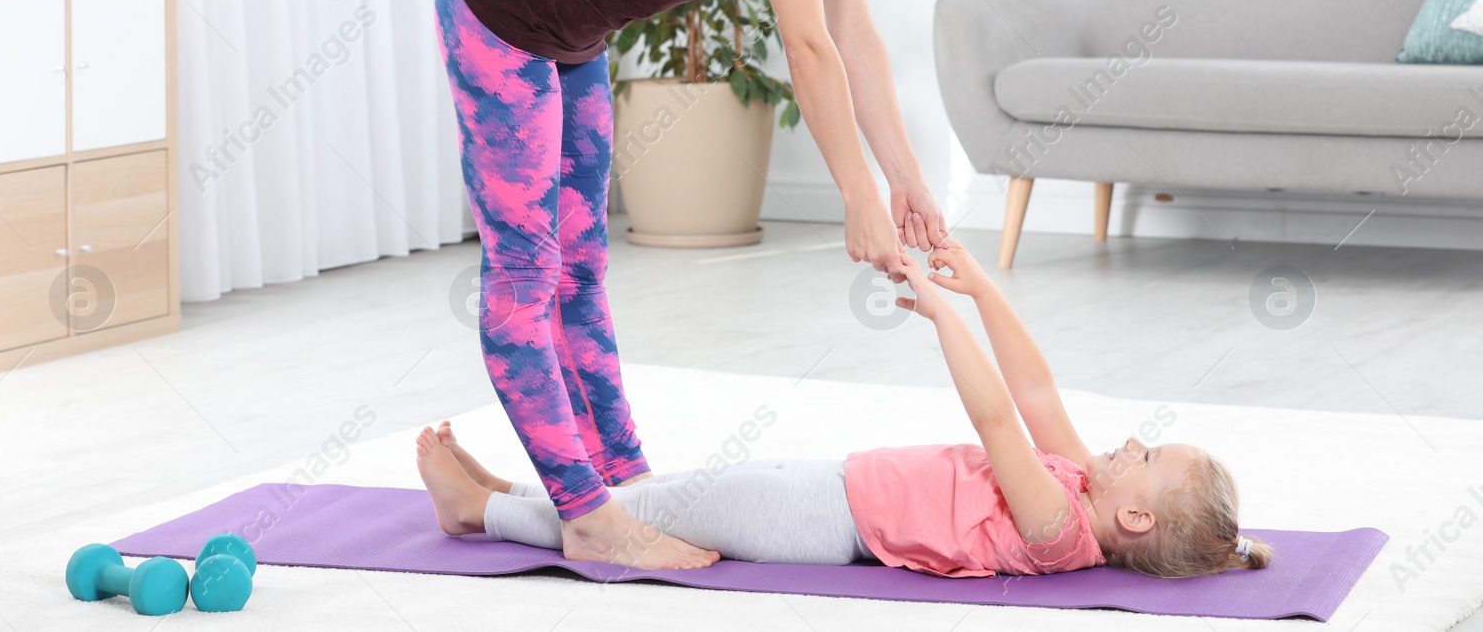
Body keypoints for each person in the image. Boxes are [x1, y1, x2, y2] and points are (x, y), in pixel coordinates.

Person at [432, 0, 1012, 569]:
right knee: (526, 272)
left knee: (582, 269)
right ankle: (588, 514)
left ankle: (627, 484)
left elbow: (856, 37)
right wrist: (856, 192)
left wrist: (906, 179)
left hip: (576, 35)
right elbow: (805, 42)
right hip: (500, 6)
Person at [417, 239, 1273, 579]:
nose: (1129, 443)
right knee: (666, 493)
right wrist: (979, 288)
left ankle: (479, 512)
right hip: (834, 485)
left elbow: (1001, 421)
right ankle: (505, 495)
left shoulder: (1060, 527)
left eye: (1148, 454)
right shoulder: (1088, 484)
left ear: (1132, 514)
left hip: (828, 521)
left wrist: (942, 317)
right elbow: (1038, 390)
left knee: (643, 514)